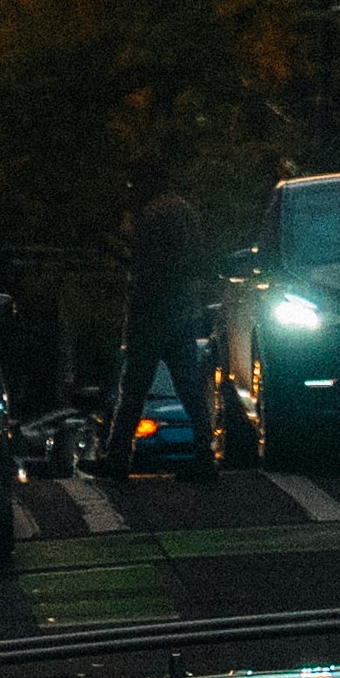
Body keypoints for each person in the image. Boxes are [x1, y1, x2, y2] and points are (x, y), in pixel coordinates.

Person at [103, 157, 217, 483]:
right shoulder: (183, 209)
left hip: (153, 312)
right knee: (190, 389)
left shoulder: (154, 215)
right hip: (182, 309)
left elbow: (149, 266)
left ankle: (118, 458)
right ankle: (204, 455)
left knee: (133, 390)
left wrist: (124, 255)